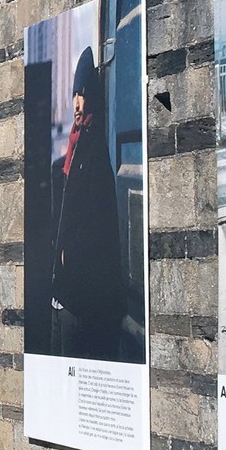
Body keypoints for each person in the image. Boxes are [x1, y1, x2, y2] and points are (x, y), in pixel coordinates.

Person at [49, 48, 127, 361]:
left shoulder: (93, 147)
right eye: (74, 95)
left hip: (82, 291)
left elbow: (97, 216)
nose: (77, 103)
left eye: (82, 94)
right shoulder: (74, 144)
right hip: (64, 288)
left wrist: (72, 253)